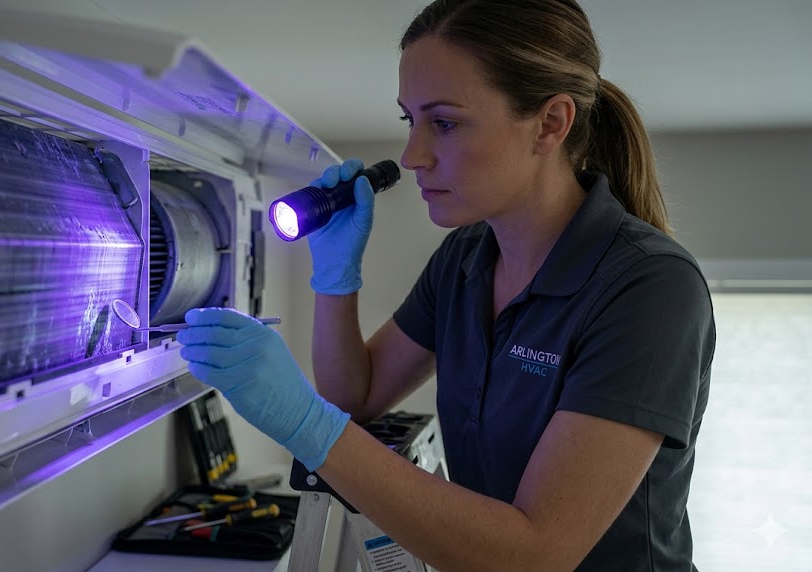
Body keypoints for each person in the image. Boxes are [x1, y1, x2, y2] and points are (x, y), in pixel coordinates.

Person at [176, 0, 716, 569]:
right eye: (412, 120)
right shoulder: (464, 259)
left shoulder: (649, 289)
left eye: (446, 123)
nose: (412, 156)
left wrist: (305, 424)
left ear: (550, 124)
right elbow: (353, 395)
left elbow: (536, 555)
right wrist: (335, 276)